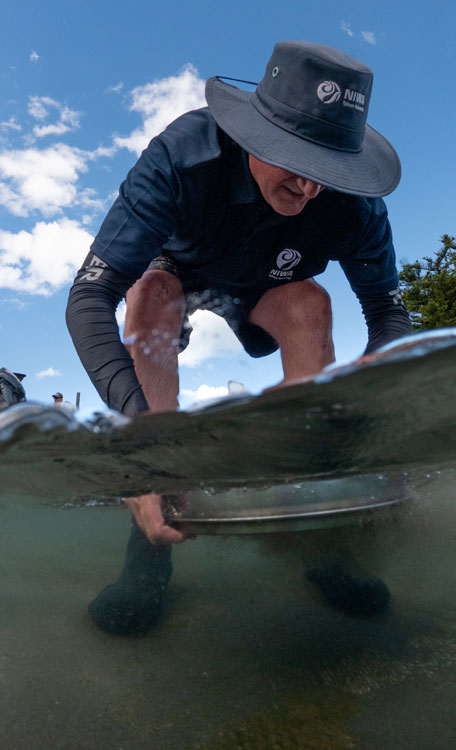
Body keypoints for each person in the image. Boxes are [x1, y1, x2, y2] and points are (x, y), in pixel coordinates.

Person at [65, 41, 413, 635]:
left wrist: (371, 404)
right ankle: (150, 542)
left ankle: (318, 535)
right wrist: (139, 444)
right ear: (255, 134)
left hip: (270, 287)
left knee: (311, 304)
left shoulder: (354, 204)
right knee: (150, 295)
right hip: (179, 272)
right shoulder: (182, 156)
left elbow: (387, 312)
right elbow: (89, 297)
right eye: (295, 158)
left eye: (327, 169)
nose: (309, 188)